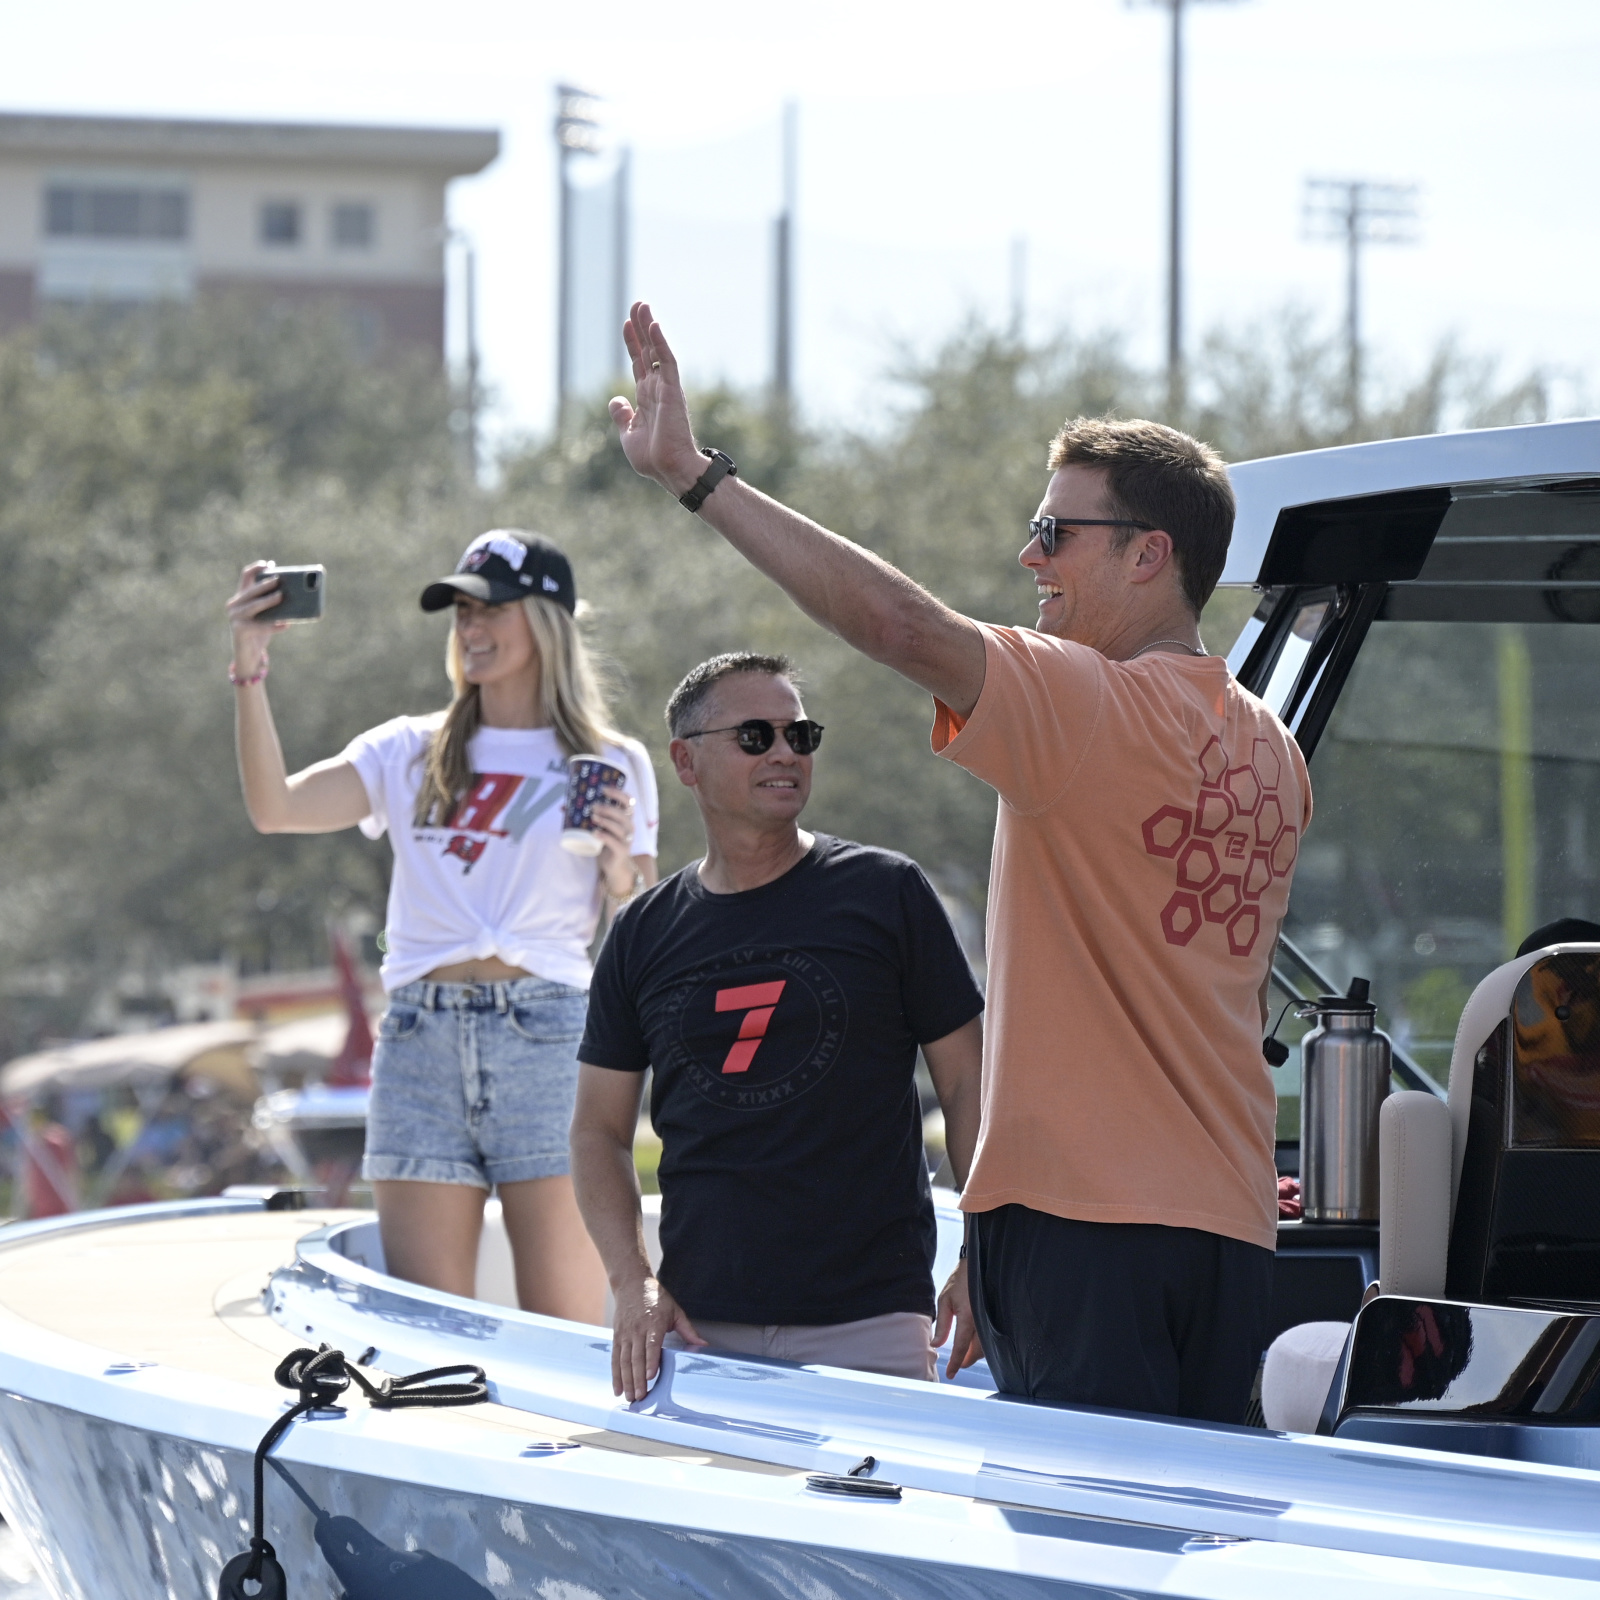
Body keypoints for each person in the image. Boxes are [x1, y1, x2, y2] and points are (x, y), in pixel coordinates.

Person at [603, 303, 1312, 1424]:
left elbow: (896, 623)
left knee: (1077, 1557)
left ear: (1149, 553)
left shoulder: (1090, 704)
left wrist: (699, 478)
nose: (1028, 555)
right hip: (1228, 1226)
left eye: (1055, 532)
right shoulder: (1272, 748)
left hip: (1086, 1227)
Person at [226, 530, 659, 1321]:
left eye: (489, 608)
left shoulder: (610, 760)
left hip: (551, 1038)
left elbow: (643, 935)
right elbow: (274, 808)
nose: (470, 627)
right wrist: (250, 666)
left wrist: (620, 865)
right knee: (434, 1337)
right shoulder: (408, 748)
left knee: (566, 1330)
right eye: (459, 610)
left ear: (547, 620)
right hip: (420, 1041)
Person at [570, 652, 984, 1401]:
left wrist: (986, 1252)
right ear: (685, 761)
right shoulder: (640, 932)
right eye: (756, 736)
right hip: (699, 1335)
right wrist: (633, 1282)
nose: (787, 752)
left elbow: (969, 1084)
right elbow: (597, 1131)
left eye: (801, 734)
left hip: (875, 1323)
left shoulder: (887, 892)